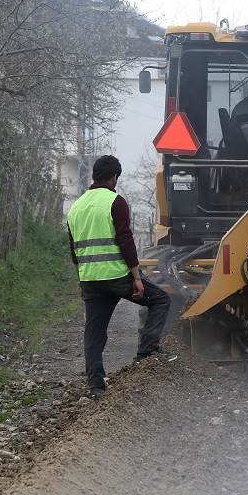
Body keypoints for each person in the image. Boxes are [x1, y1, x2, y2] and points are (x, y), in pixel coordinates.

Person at [67, 155, 171, 396]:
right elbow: (125, 240)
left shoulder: (77, 207)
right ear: (114, 177)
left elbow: (74, 249)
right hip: (117, 278)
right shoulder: (116, 202)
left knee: (94, 331)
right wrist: (136, 276)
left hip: (91, 279)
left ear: (94, 176)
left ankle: (95, 384)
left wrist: (81, 279)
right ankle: (146, 354)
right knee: (160, 300)